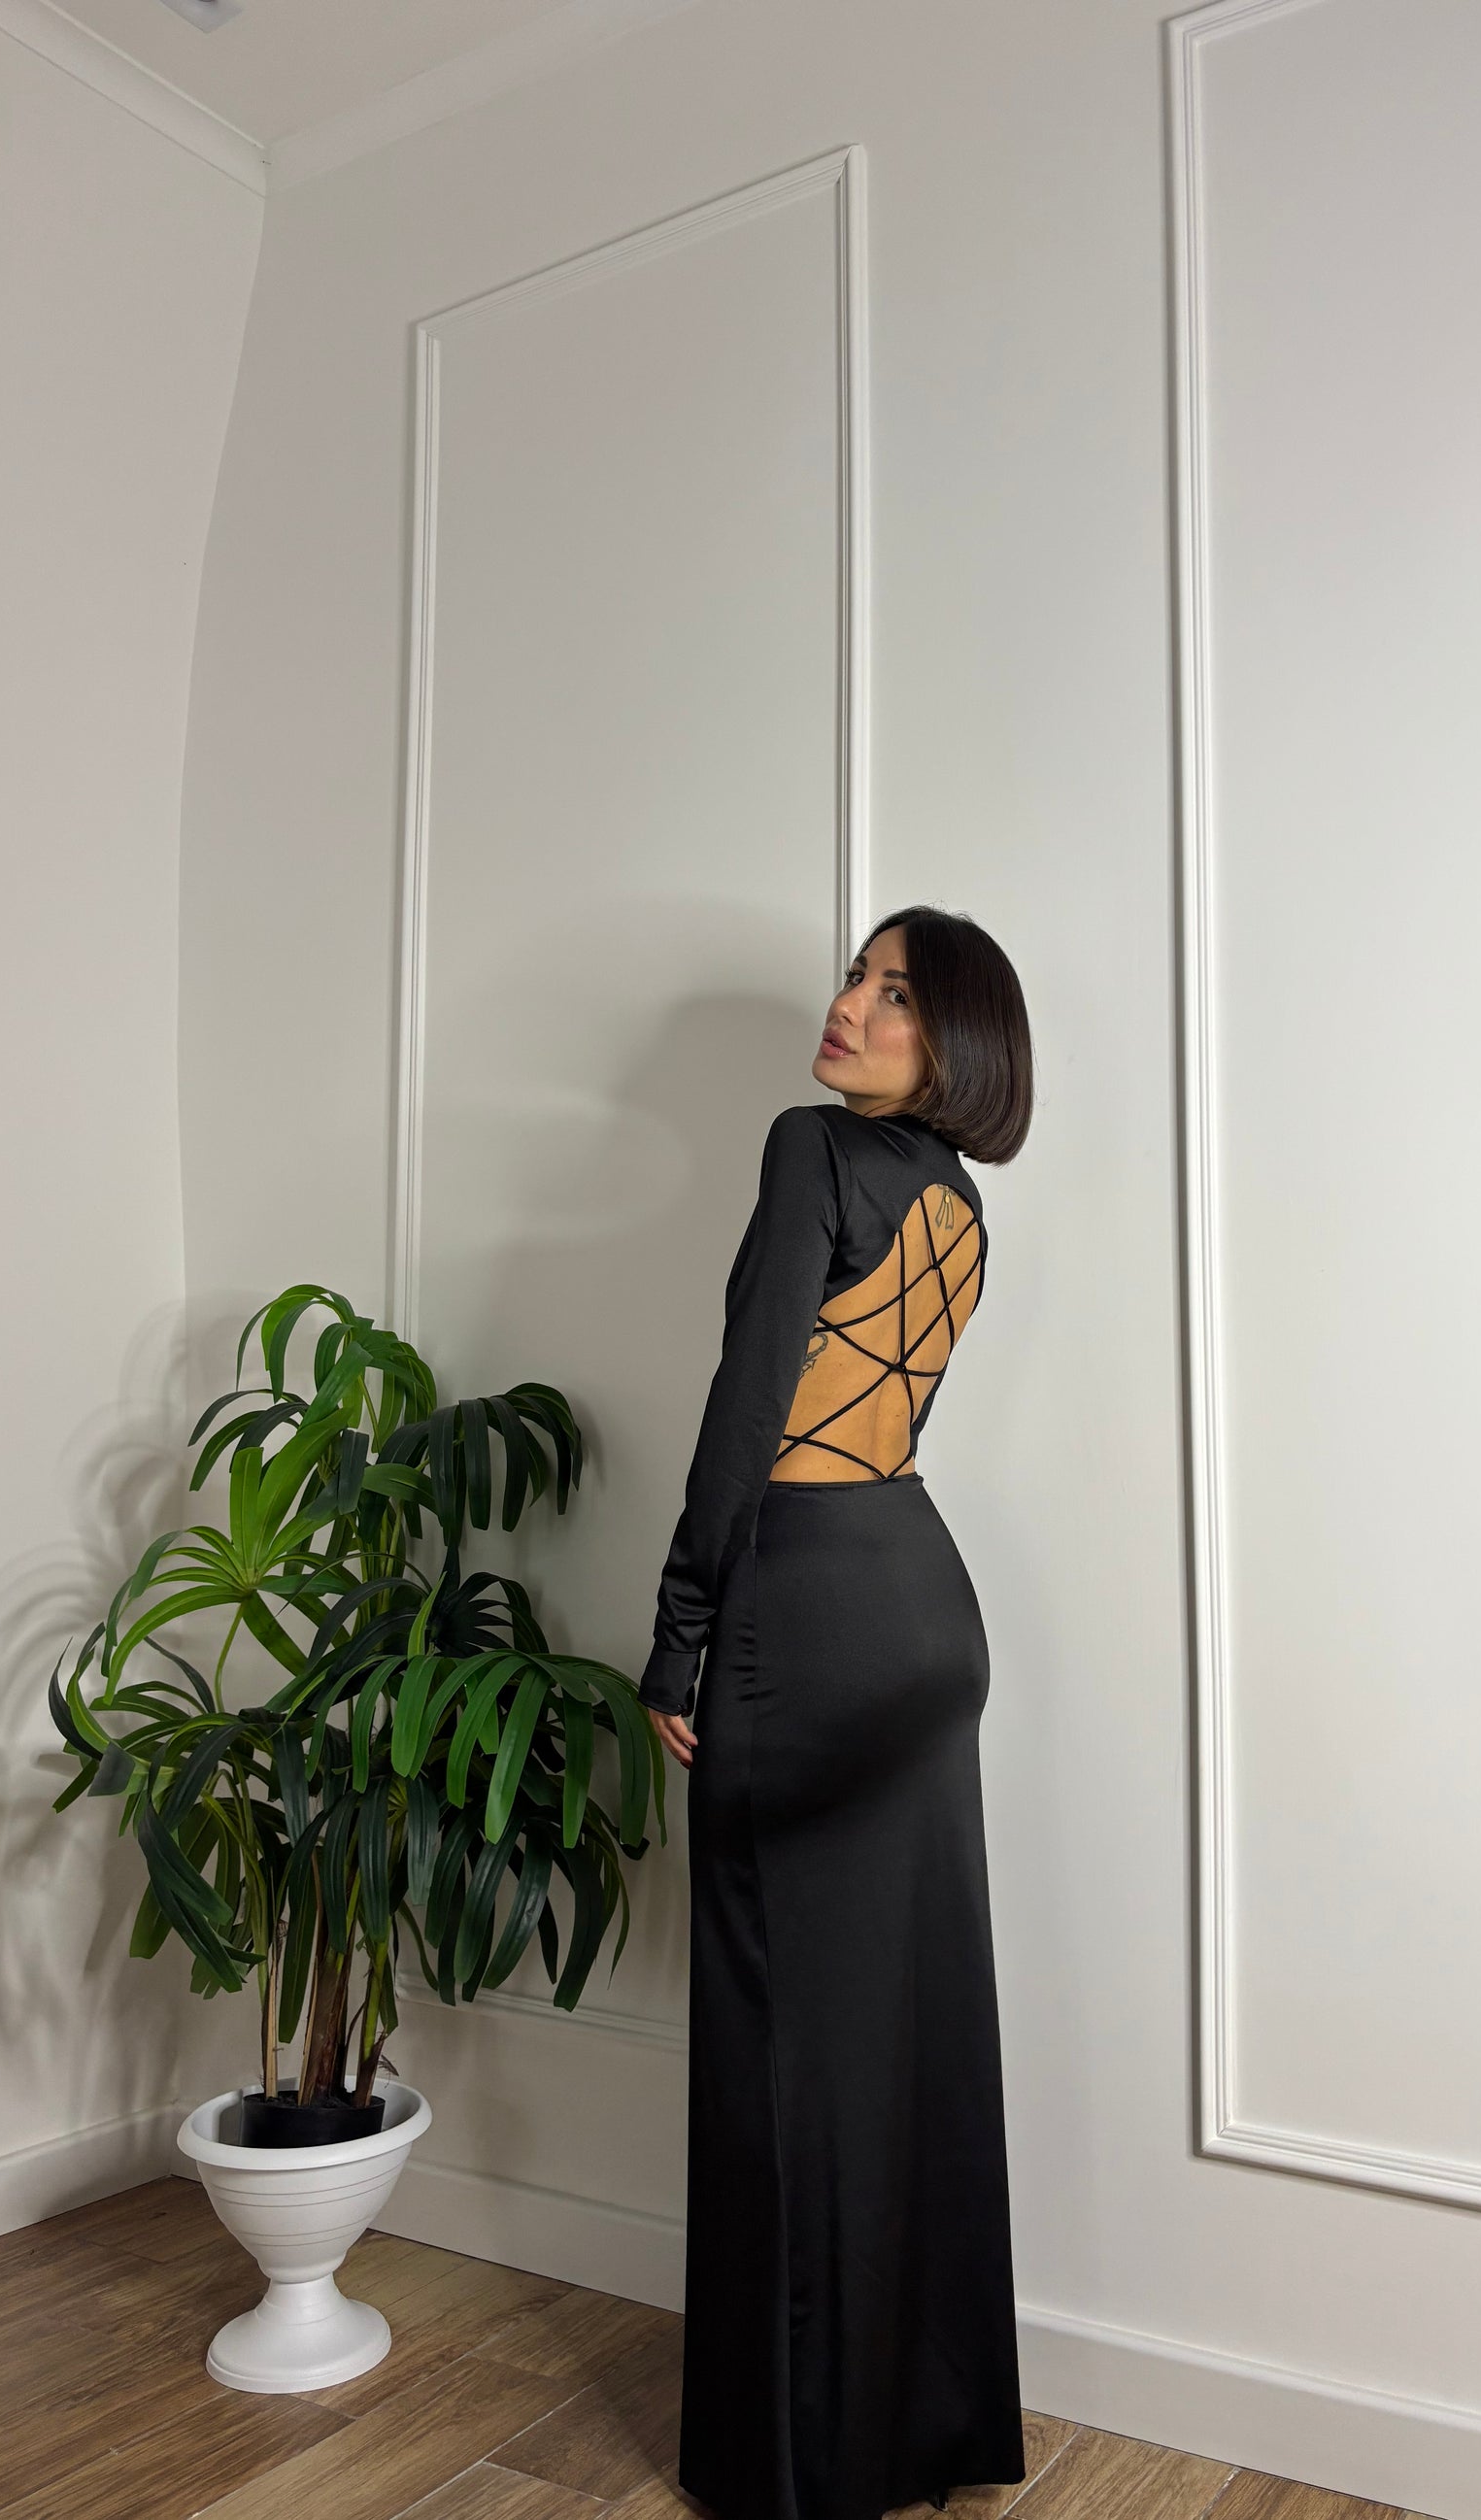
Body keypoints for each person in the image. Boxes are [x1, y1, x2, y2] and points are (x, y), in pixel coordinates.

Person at [638, 904, 1034, 2520]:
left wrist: (679, 1629)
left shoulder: (810, 1147)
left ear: (955, 1043)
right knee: (904, 2035)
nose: (848, 1005)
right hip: (921, 1607)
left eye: (894, 993)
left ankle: (789, 2470)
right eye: (855, 977)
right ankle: (928, 2433)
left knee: (775, 2045)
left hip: (798, 1613)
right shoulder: (959, 1208)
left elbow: (753, 1401)